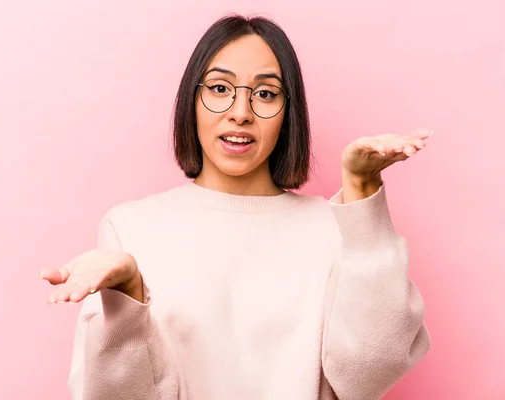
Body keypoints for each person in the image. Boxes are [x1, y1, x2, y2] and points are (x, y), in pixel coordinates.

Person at [39, 14, 431, 400]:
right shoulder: (130, 228)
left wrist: (363, 192)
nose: (241, 112)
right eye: (220, 88)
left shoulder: (334, 226)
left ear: (287, 112)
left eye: (265, 93)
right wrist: (128, 296)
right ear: (191, 100)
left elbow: (369, 375)